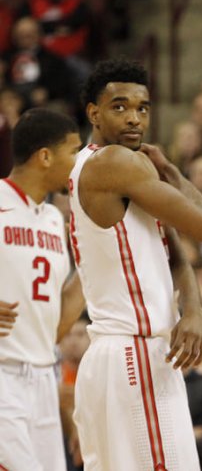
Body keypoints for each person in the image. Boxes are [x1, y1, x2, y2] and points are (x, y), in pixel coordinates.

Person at [69, 59, 202, 470]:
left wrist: (195, 310)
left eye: (143, 107)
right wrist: (168, 168)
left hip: (124, 356)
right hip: (132, 353)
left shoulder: (122, 169)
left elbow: (175, 250)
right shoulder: (114, 163)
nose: (134, 117)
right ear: (93, 113)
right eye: (119, 107)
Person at [0, 108, 85, 471]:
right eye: (74, 151)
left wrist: (95, 263)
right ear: (45, 156)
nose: (79, 161)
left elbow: (55, 323)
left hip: (42, 374)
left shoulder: (54, 219)